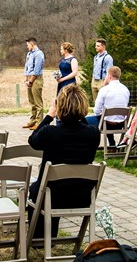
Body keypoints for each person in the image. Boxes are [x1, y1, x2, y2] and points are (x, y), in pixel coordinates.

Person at [27, 84, 100, 237]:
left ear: (59, 107)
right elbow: (84, 127)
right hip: (82, 195)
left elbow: (33, 140)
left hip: (51, 195)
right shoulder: (93, 133)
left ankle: (41, 238)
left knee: (36, 188)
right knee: (42, 187)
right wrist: (79, 115)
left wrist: (49, 115)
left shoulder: (50, 132)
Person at [84, 66, 130, 147]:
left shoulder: (104, 90)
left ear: (109, 76)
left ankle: (88, 145)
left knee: (84, 121)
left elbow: (97, 111)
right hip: (122, 123)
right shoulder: (126, 89)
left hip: (107, 124)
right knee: (106, 117)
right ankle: (111, 144)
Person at [23, 37, 45, 129]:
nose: (27, 47)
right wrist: (26, 79)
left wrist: (31, 81)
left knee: (37, 102)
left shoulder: (39, 54)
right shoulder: (29, 54)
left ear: (32, 44)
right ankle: (33, 120)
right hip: (29, 78)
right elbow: (27, 67)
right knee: (31, 101)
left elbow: (37, 69)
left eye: (28, 45)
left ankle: (39, 122)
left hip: (36, 79)